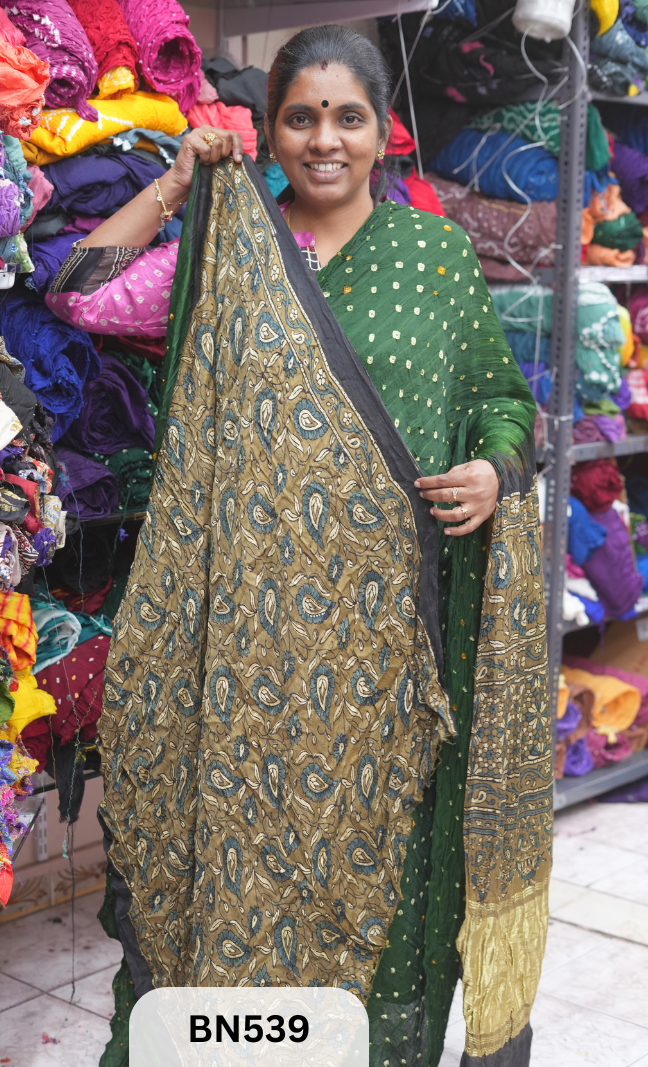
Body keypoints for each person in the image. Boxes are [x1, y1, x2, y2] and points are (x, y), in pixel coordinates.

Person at [49, 24, 551, 1067]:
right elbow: (81, 288)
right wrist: (182, 177)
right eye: (300, 116)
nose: (324, 140)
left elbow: (505, 402)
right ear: (270, 129)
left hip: (389, 641)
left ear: (382, 133)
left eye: (347, 117)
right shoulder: (230, 243)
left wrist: (493, 470)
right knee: (241, 861)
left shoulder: (436, 254)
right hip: (246, 645)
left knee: (386, 866)